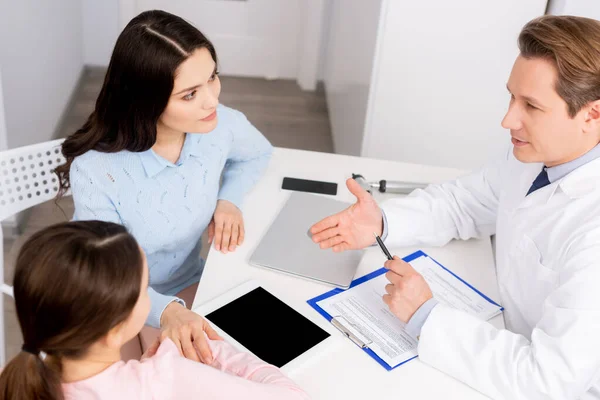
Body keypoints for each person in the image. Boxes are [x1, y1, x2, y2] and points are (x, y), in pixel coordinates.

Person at [310, 15, 600, 399]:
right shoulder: (538, 154)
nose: (507, 119)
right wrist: (381, 221)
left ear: (592, 114)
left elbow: (548, 381)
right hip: (498, 339)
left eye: (531, 105)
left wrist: (426, 316)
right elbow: (465, 201)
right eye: (511, 96)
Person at [54, 10, 273, 362]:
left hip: (192, 287)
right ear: (145, 100)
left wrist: (228, 200)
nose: (212, 100)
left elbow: (258, 153)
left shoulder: (218, 126)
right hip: (116, 304)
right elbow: (108, 277)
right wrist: (166, 312)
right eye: (190, 94)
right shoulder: (97, 171)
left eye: (213, 77)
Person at [0, 221, 309, 400]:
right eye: (146, 289)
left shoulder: (16, 382)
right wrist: (215, 351)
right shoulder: (165, 376)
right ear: (114, 330)